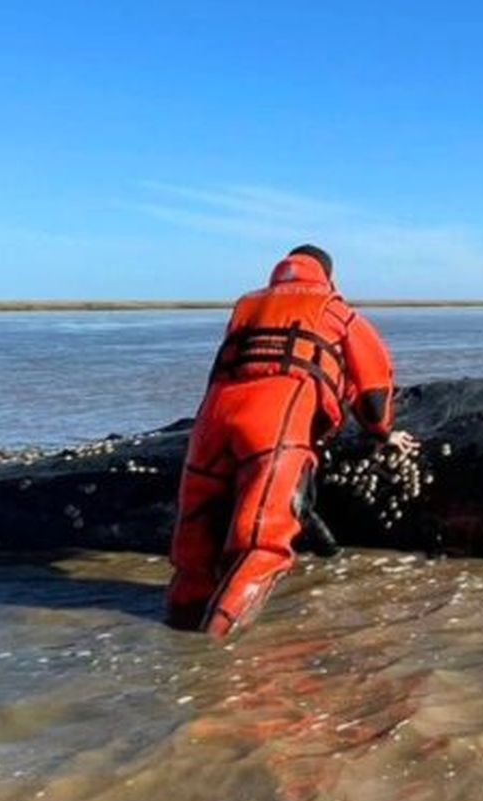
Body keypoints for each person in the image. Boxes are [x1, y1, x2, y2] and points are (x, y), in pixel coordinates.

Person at [165, 244, 418, 636]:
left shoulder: (246, 306)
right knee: (262, 544)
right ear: (328, 276)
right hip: (275, 424)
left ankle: (174, 634)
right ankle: (213, 662)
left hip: (210, 425)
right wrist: (382, 432)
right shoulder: (333, 308)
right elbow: (373, 389)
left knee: (194, 548)